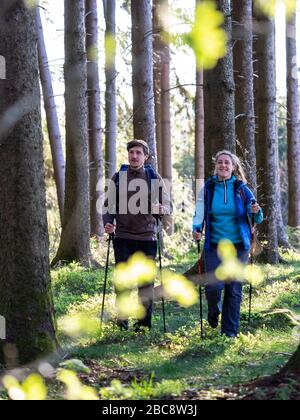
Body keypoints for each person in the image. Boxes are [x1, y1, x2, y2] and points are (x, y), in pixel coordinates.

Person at [192, 150, 263, 337]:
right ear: (216, 166)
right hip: (214, 246)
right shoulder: (208, 188)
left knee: (233, 289)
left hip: (239, 246)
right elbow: (199, 212)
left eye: (227, 163)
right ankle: (213, 310)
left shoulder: (241, 189)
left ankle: (229, 333)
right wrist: (197, 228)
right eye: (220, 162)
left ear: (233, 167)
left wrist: (256, 210)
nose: (223, 165)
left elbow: (257, 216)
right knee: (213, 286)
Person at [103, 139, 171, 331]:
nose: (134, 156)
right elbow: (108, 206)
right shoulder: (118, 177)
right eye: (132, 152)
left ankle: (143, 324)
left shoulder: (153, 177)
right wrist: (108, 223)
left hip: (147, 238)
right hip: (122, 237)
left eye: (138, 153)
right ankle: (122, 322)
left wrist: (160, 209)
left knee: (145, 284)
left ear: (145, 156)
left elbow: (168, 205)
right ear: (128, 155)